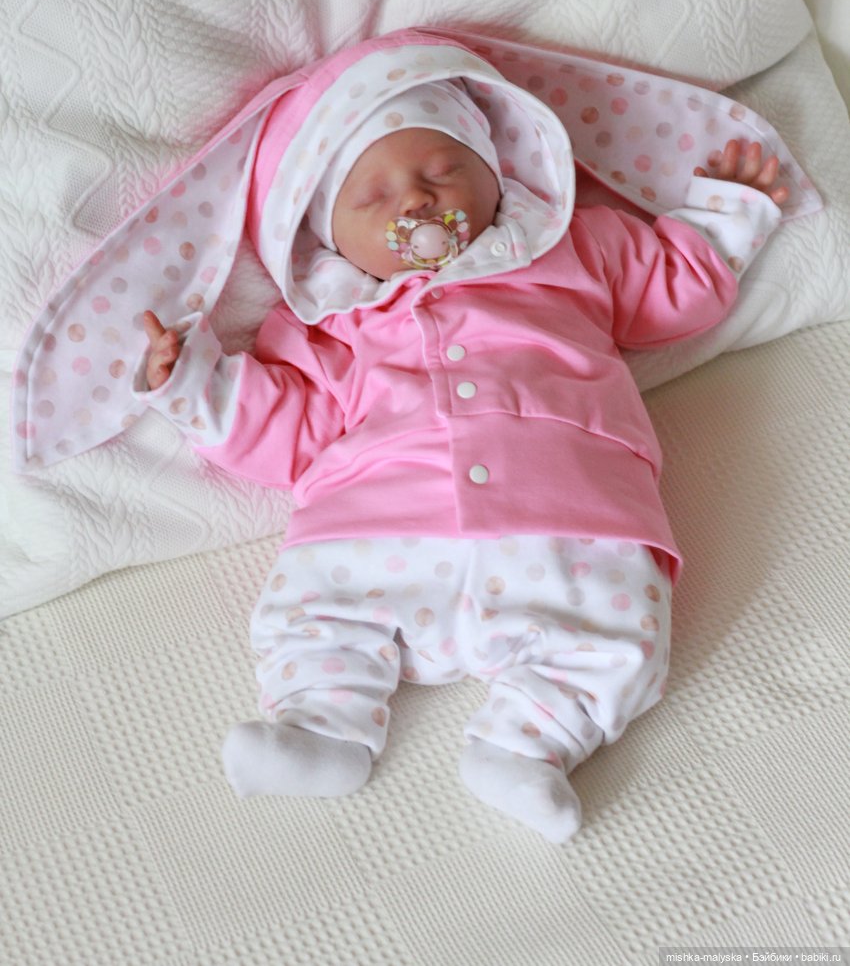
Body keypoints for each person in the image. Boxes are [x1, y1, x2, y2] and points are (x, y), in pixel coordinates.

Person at [135, 49, 788, 844]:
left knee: (621, 637)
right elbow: (286, 431)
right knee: (313, 611)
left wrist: (726, 215)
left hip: (572, 514)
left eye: (443, 169)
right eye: (372, 196)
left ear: (494, 172)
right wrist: (192, 382)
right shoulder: (327, 323)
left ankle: (529, 744)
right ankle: (321, 724)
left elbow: (668, 292)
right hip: (374, 523)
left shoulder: (572, 248)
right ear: (325, 237)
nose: (415, 198)